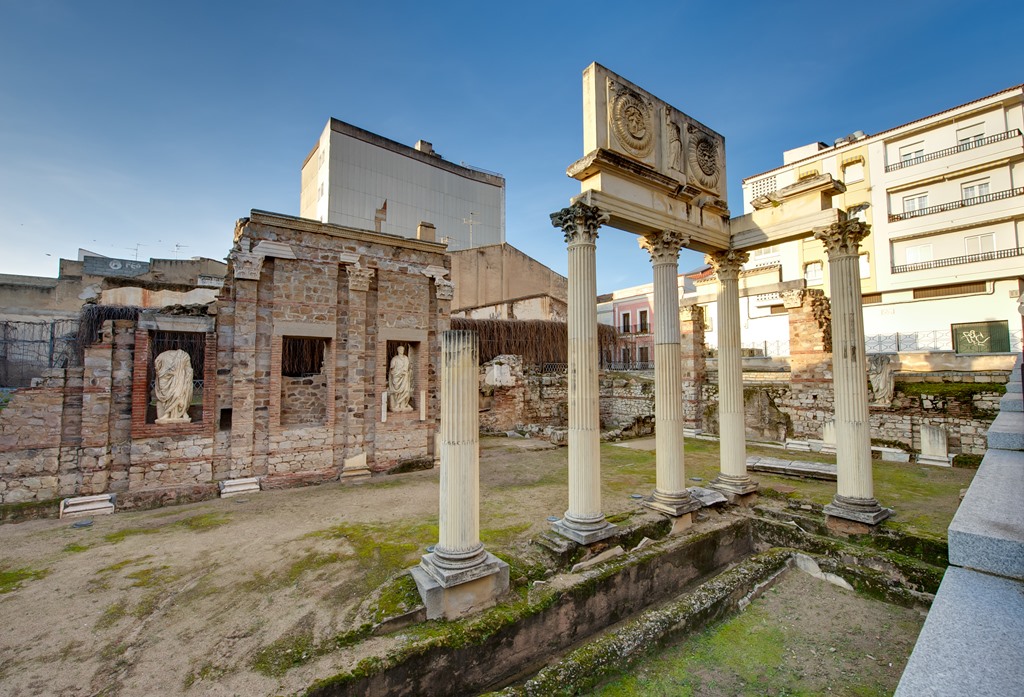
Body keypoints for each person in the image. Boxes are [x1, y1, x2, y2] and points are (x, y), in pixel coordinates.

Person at [154, 349, 193, 423]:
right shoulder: (162, 356)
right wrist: (163, 373)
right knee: (167, 396)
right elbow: (157, 366)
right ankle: (167, 414)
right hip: (165, 378)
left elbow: (189, 370)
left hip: (179, 379)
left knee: (177, 395)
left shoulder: (183, 355)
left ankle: (181, 412)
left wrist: (184, 376)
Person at [388, 345, 413, 412]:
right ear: (398, 350)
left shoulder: (406, 358)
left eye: (403, 349)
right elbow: (392, 370)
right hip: (397, 378)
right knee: (397, 392)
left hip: (405, 377)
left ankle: (404, 404)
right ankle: (397, 404)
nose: (402, 351)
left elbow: (409, 368)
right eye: (400, 349)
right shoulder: (394, 359)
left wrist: (408, 372)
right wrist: (399, 372)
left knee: (406, 391)